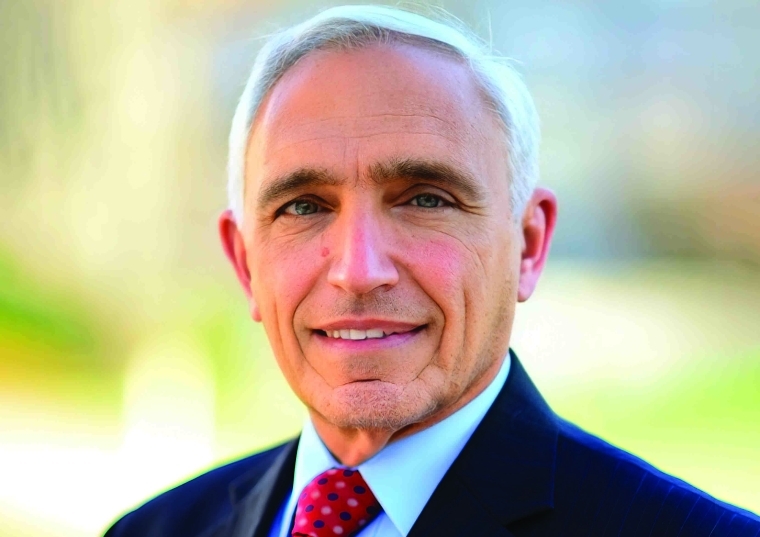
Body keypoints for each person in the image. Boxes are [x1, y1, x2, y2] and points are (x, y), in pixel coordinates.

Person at [105, 5, 759, 537]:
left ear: (529, 245)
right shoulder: (153, 529)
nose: (359, 270)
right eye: (303, 206)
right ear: (246, 262)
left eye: (425, 199)